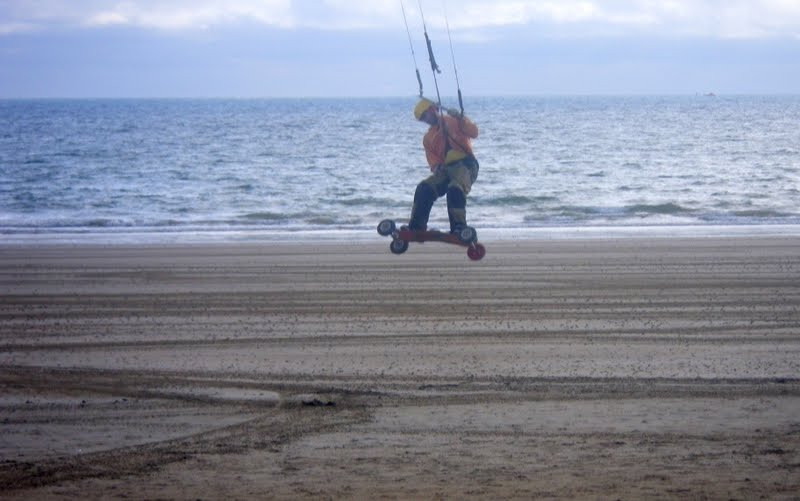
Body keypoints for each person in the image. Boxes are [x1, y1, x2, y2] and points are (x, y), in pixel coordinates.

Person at [406, 97, 480, 234]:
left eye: (425, 115)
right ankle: (417, 226)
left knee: (455, 189)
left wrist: (461, 118)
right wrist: (436, 168)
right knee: (424, 188)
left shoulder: (453, 121)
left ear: (432, 109)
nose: (425, 120)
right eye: (422, 119)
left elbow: (474, 132)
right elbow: (433, 161)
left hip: (466, 165)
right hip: (447, 169)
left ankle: (459, 227)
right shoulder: (428, 138)